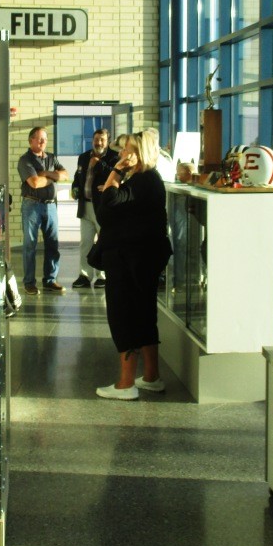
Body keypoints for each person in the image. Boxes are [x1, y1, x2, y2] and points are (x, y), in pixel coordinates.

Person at [93, 130, 173, 400]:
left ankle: (126, 384)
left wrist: (114, 172)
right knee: (143, 315)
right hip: (141, 257)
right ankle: (151, 376)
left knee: (123, 316)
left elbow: (108, 204)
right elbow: (107, 210)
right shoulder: (145, 180)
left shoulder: (142, 180)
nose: (121, 154)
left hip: (130, 258)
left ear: (140, 154)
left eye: (127, 150)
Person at [18, 126, 68, 295]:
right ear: (30, 140)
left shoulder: (51, 158)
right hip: (32, 205)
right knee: (30, 246)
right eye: (39, 139)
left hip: (51, 206)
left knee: (53, 244)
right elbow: (34, 183)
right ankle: (29, 283)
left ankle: (50, 280)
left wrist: (45, 173)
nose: (42, 142)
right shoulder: (25, 160)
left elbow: (66, 175)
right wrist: (53, 177)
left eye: (44, 139)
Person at [70, 128, 116, 289]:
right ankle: (84, 275)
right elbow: (78, 176)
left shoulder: (113, 157)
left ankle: (103, 275)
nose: (99, 142)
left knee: (104, 242)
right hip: (85, 206)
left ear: (108, 141)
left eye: (102, 139)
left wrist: (99, 164)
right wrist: (75, 187)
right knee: (86, 243)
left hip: (103, 208)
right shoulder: (84, 157)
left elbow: (114, 175)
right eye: (96, 139)